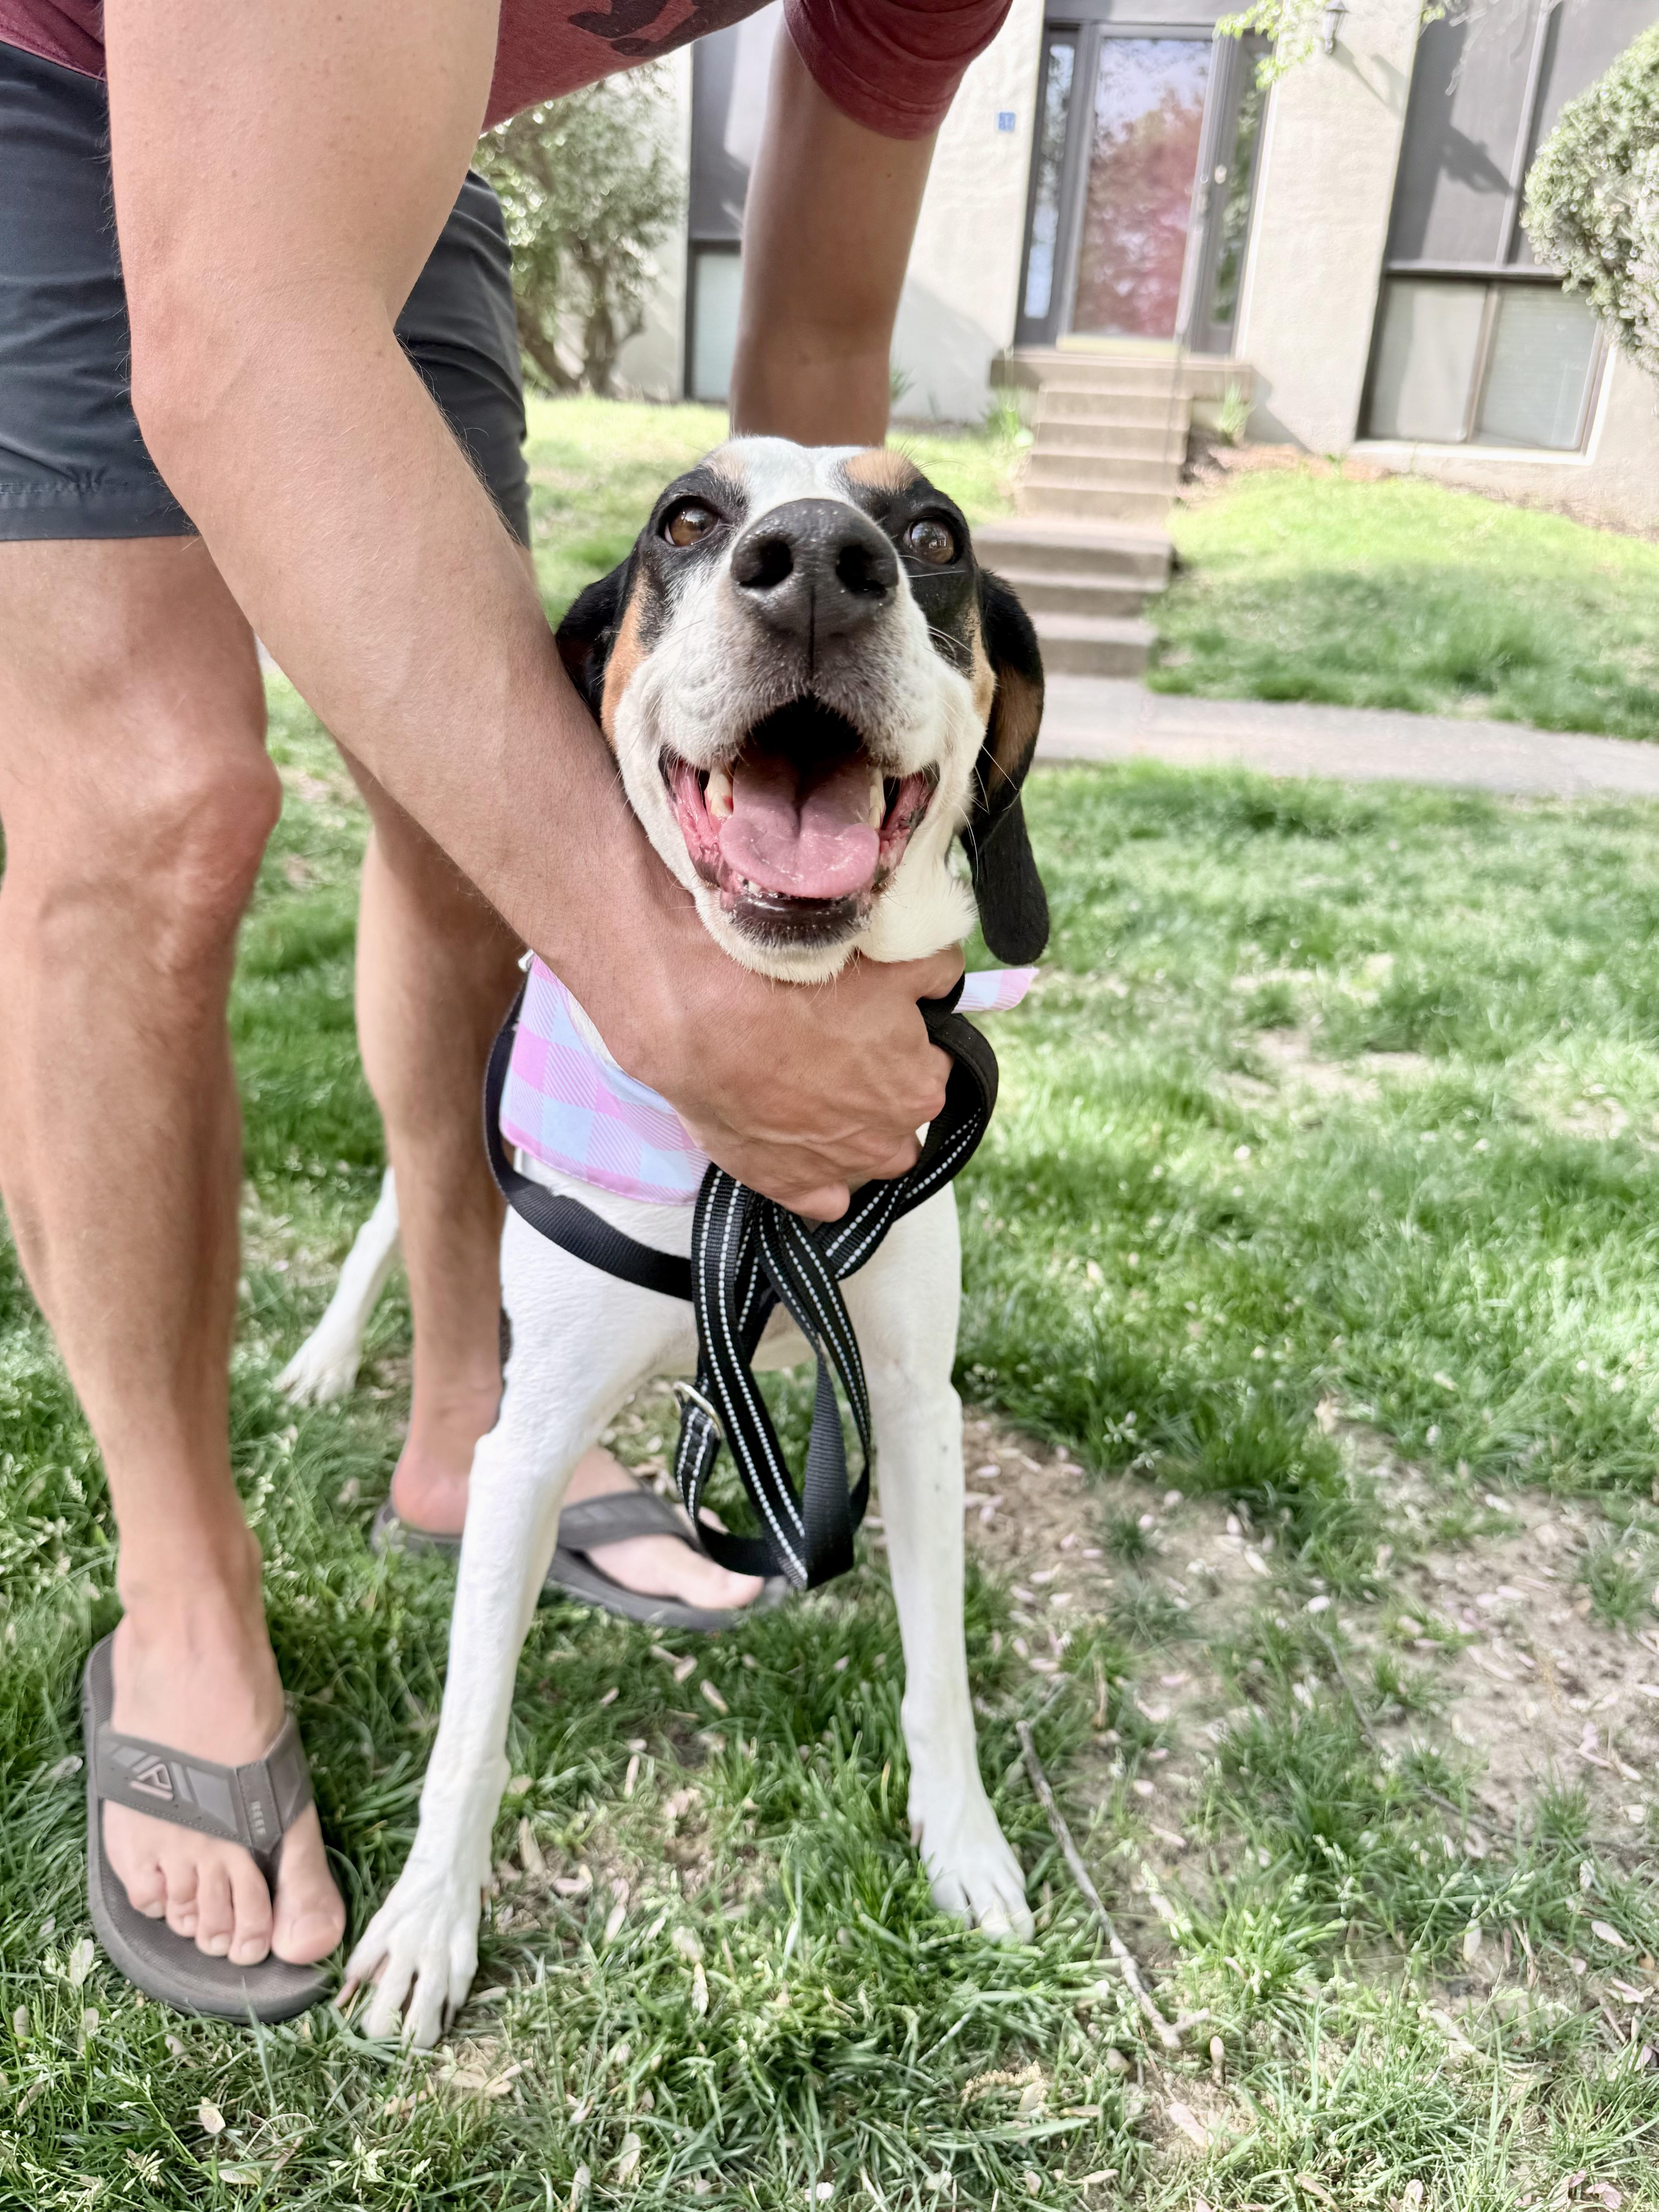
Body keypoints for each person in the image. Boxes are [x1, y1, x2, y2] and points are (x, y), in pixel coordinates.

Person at [0, 0, 1013, 1997]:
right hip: (56, 72)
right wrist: (650, 984)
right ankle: (180, 1580)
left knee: (470, 822)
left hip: (394, 124)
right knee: (154, 808)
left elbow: (815, 373)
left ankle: (470, 1419)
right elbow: (240, 328)